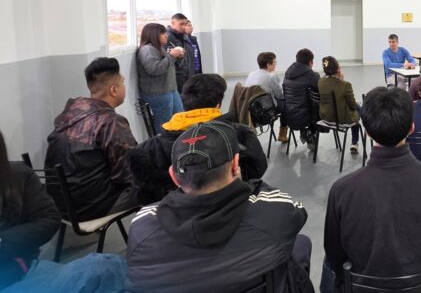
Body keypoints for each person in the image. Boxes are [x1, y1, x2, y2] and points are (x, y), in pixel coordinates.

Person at [125, 121, 311, 293]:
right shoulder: (275, 212)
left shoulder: (141, 226)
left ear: (174, 176)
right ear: (235, 165)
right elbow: (297, 211)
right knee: (301, 243)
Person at [321, 87, 421, 292]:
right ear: (411, 128)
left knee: (328, 261)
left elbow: (335, 254)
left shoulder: (342, 191)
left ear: (367, 132)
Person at [129, 74, 268, 205]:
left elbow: (144, 196)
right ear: (218, 105)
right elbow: (258, 170)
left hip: (174, 215)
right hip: (231, 209)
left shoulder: (148, 149)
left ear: (185, 104)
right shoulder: (242, 135)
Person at [45, 58, 138, 221]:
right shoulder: (111, 122)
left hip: (58, 204)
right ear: (114, 90)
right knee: (155, 183)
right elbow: (128, 172)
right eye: (123, 82)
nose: (125, 86)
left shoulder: (70, 112)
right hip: (90, 208)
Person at [0, 130, 61, 289]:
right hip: (82, 207)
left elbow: (50, 219)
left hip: (15, 266)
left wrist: (2, 241)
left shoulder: (18, 174)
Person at [137, 22, 184, 136]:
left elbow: (169, 65)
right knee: (164, 125)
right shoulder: (147, 50)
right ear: (153, 35)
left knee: (180, 118)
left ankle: (178, 143)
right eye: (163, 33)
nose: (166, 35)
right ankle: (164, 145)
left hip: (170, 89)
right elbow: (154, 69)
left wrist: (178, 57)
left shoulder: (159, 48)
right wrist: (172, 56)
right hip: (158, 93)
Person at [318, 57, 362, 154]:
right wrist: (341, 80)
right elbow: (352, 106)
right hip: (341, 121)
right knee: (358, 112)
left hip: (325, 118)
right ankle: (354, 143)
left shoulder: (320, 82)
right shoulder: (345, 85)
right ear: (338, 69)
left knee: (357, 109)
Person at [246, 52, 288, 142]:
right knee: (286, 105)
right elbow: (280, 96)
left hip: (252, 109)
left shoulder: (251, 74)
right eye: (274, 62)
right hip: (266, 109)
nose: (275, 64)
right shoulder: (271, 77)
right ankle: (282, 134)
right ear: (268, 65)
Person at [283, 48, 321, 148]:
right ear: (310, 62)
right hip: (306, 117)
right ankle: (310, 133)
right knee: (317, 103)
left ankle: (304, 132)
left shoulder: (287, 74)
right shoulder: (313, 76)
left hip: (289, 116)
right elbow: (320, 94)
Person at [166, 13, 194, 93]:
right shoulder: (167, 37)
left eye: (185, 24)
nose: (184, 27)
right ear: (173, 23)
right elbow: (166, 59)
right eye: (181, 24)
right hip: (175, 77)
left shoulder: (183, 36)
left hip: (186, 75)